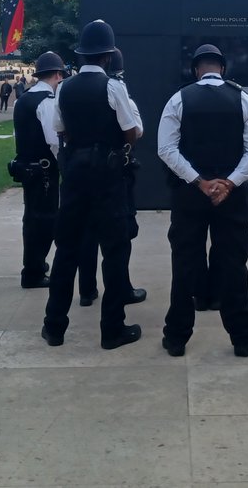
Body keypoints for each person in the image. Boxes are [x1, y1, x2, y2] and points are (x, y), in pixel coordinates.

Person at [157, 43, 248, 356]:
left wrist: (199, 182)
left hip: (190, 195)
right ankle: (242, 338)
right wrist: (228, 183)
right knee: (233, 264)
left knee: (185, 263)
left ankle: (176, 337)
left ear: (195, 70)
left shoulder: (179, 98)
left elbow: (166, 149)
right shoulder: (243, 98)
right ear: (223, 68)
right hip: (231, 197)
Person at [42, 20, 144, 350]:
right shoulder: (113, 87)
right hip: (107, 174)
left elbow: (61, 130)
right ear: (108, 56)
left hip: (74, 174)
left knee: (66, 250)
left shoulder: (64, 89)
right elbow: (132, 130)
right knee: (114, 251)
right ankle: (112, 328)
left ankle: (54, 325)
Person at [76, 47, 147, 308]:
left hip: (80, 170)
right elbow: (136, 130)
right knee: (119, 235)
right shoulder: (118, 92)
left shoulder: (69, 89)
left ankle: (86, 289)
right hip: (112, 170)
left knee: (86, 233)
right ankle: (121, 288)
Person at [12, 51, 66, 288]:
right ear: (57, 74)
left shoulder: (24, 99)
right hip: (44, 170)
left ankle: (34, 263)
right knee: (44, 219)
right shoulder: (46, 101)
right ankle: (33, 270)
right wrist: (64, 164)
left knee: (32, 217)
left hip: (27, 167)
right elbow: (53, 140)